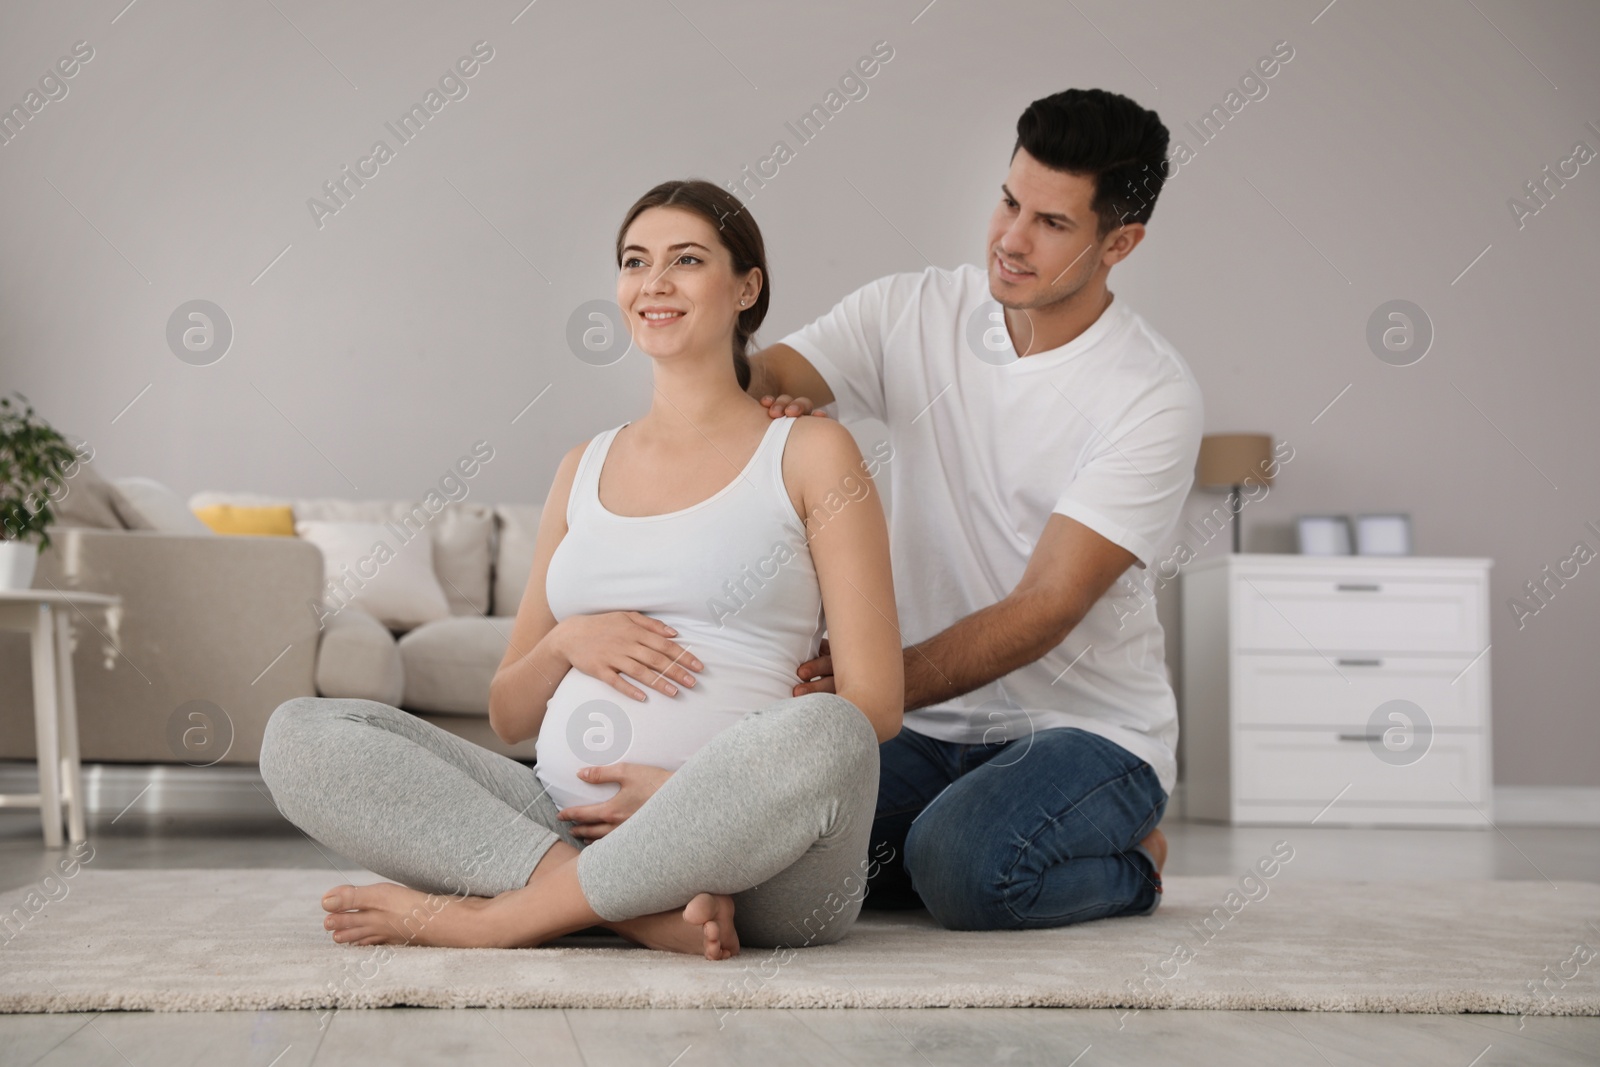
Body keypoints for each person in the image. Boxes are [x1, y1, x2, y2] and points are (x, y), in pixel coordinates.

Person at [258, 179, 903, 960]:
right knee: (298, 734)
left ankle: (497, 919)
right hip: (558, 818)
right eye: (635, 262)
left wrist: (687, 808)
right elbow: (506, 714)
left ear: (746, 287)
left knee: (829, 732)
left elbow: (874, 706)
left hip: (756, 866)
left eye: (686, 260)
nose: (653, 283)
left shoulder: (810, 453)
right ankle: (626, 910)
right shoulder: (582, 466)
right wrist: (568, 644)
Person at [747, 87, 1204, 929]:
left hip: (1089, 731)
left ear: (1121, 242)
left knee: (962, 868)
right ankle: (960, 834)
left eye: (1053, 224)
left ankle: (1135, 863)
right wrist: (754, 393)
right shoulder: (913, 310)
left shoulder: (1151, 393)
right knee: (779, 856)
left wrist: (871, 681)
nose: (1010, 240)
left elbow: (1046, 606)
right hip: (927, 727)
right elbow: (766, 378)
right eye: (1008, 201)